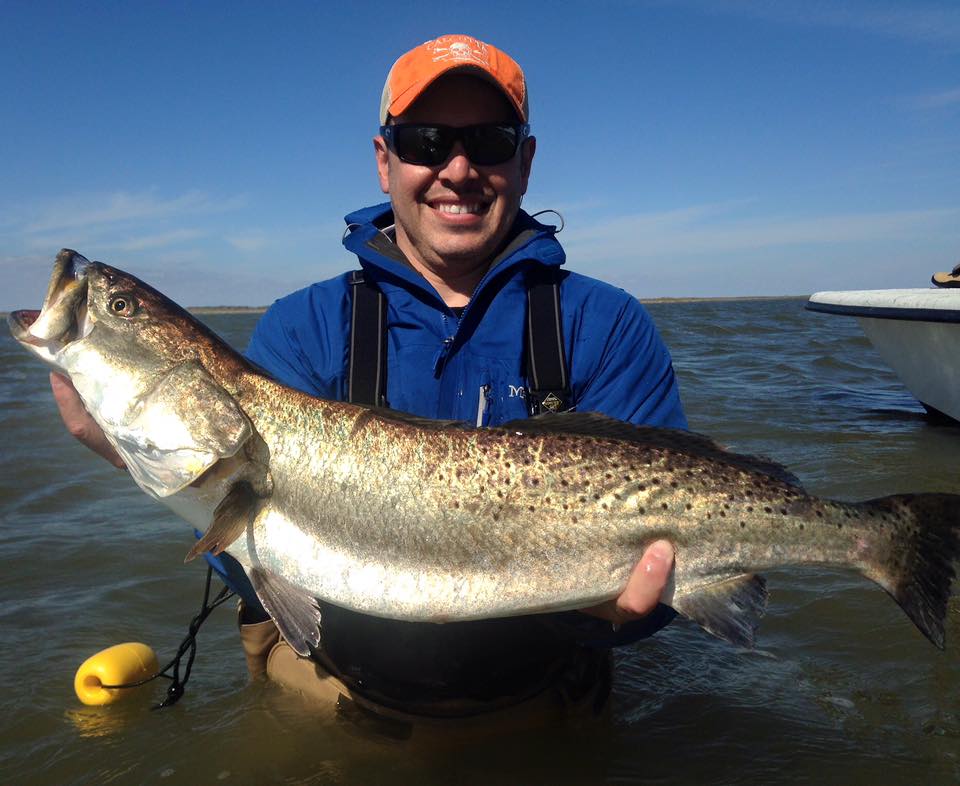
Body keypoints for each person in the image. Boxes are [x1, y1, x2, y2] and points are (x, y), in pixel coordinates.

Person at [50, 34, 686, 731]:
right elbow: (268, 566)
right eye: (426, 140)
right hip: (338, 692)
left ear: (526, 161)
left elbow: (653, 607)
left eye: (490, 139)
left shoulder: (606, 324)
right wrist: (129, 455)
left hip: (544, 696)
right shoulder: (303, 328)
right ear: (385, 161)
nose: (459, 167)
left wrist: (624, 616)